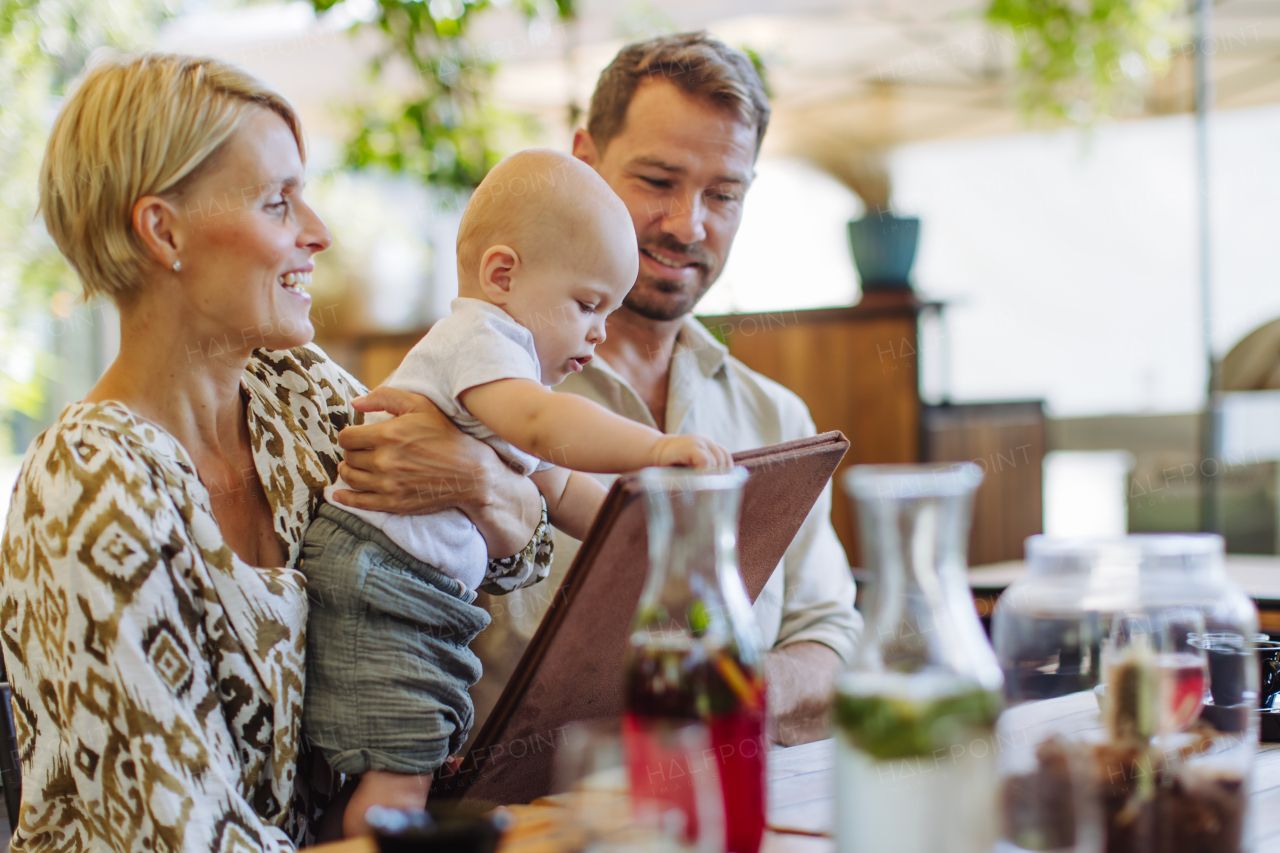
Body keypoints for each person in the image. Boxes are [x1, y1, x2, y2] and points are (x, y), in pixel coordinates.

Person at [0, 52, 551, 852]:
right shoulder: (86, 482)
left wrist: (475, 480)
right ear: (163, 230)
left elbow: (519, 548)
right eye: (277, 201)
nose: (318, 233)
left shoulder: (297, 393)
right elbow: (182, 834)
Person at [301, 148, 731, 836]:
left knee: (416, 761)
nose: (598, 331)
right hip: (382, 585)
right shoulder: (484, 341)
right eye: (587, 304)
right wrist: (652, 451)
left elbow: (559, 489)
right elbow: (545, 428)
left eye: (609, 311)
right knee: (398, 778)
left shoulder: (500, 375)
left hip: (412, 595)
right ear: (502, 274)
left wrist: (655, 532)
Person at [466, 32, 864, 747]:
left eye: (723, 193)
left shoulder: (776, 415)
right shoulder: (470, 394)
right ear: (583, 162)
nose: (689, 224)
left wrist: (732, 691)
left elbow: (830, 633)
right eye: (657, 182)